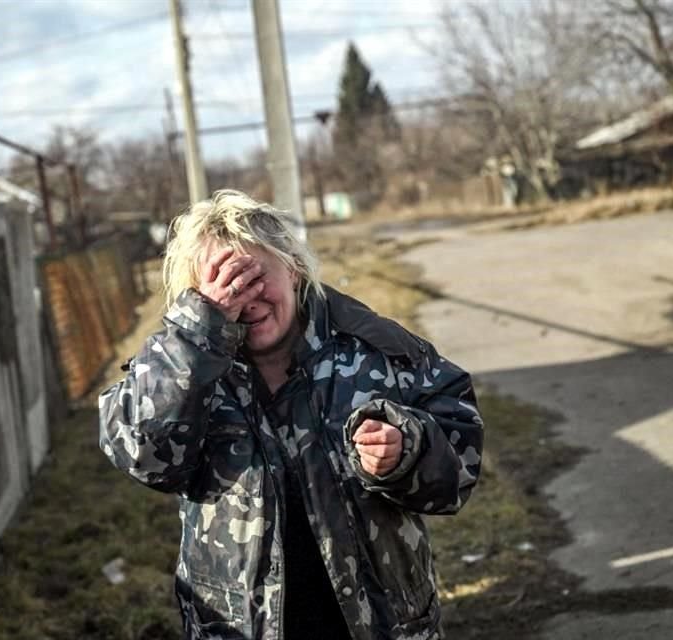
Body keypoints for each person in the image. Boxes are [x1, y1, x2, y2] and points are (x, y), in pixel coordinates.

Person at [97, 190, 484, 640]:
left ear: (294, 268)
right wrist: (201, 331)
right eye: (223, 285)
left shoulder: (372, 350)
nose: (245, 300)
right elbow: (143, 457)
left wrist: (407, 451)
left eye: (254, 277)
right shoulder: (182, 365)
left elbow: (460, 455)